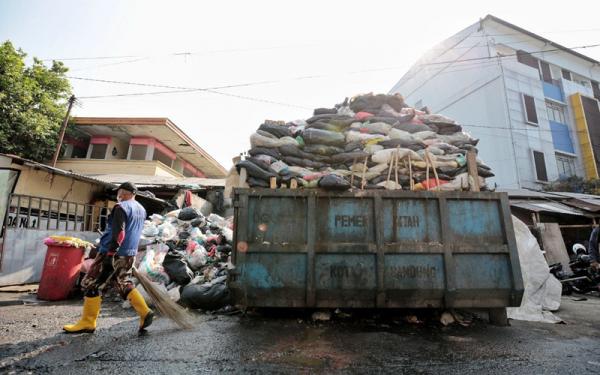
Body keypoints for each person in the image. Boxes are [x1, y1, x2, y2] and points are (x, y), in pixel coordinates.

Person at [63, 182, 153, 334]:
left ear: (123, 193)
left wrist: (110, 254)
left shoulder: (121, 207)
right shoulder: (141, 209)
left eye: (120, 193)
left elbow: (120, 233)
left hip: (112, 253)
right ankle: (145, 312)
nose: (119, 196)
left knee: (90, 283)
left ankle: (88, 322)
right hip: (129, 254)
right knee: (122, 282)